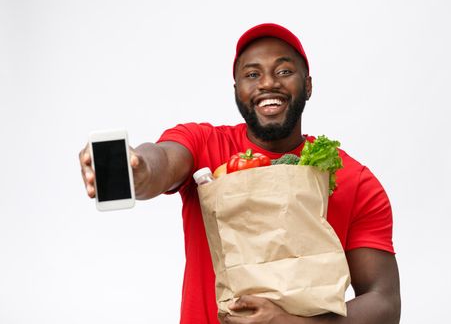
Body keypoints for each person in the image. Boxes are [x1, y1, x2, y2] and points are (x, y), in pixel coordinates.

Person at [79, 23, 401, 324]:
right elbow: (162, 161)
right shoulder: (205, 145)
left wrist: (291, 323)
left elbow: (384, 302)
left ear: (308, 85)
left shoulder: (353, 179)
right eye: (252, 74)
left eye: (284, 71)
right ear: (237, 89)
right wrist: (136, 167)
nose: (268, 82)